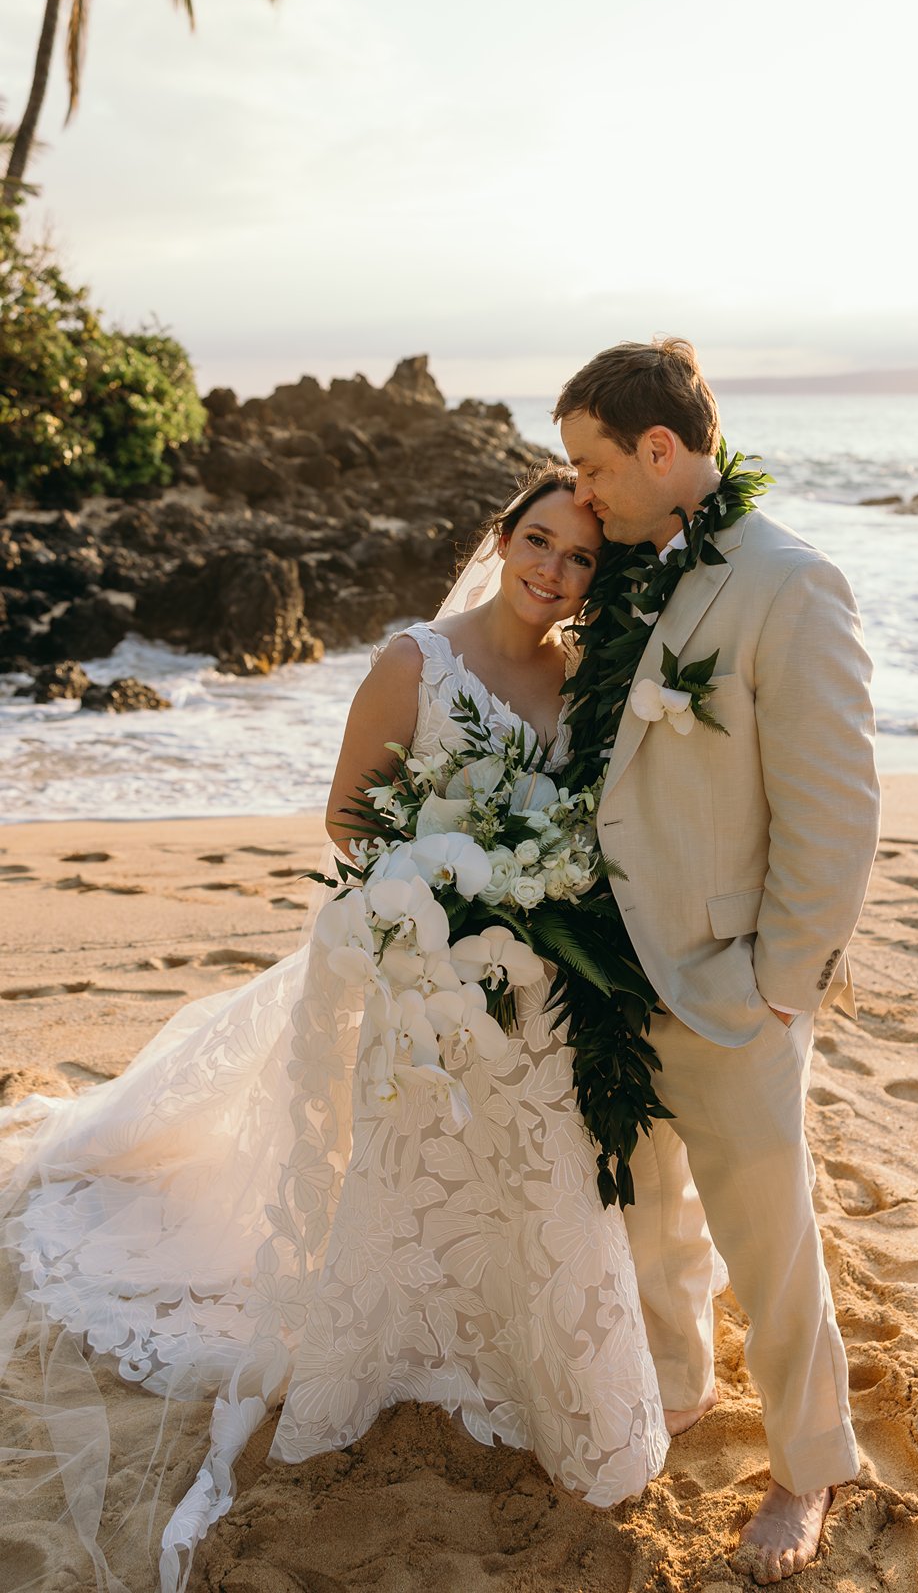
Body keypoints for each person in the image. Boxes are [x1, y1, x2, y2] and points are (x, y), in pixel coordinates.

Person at [0, 465, 668, 1593]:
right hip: (429, 969)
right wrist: (451, 901)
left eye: (581, 558)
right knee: (412, 1172)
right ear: (503, 536)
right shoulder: (417, 661)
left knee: (546, 1179)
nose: (554, 571)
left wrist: (529, 896)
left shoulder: (585, 678)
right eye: (540, 541)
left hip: (539, 987)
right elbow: (350, 815)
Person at [555, 338, 881, 1586]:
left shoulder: (792, 585)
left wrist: (777, 986)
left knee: (769, 1238)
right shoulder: (627, 574)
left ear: (658, 450)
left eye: (591, 466)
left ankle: (811, 1463)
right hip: (614, 970)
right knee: (646, 1209)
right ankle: (678, 1391)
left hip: (733, 983)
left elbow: (835, 811)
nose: (578, 494)